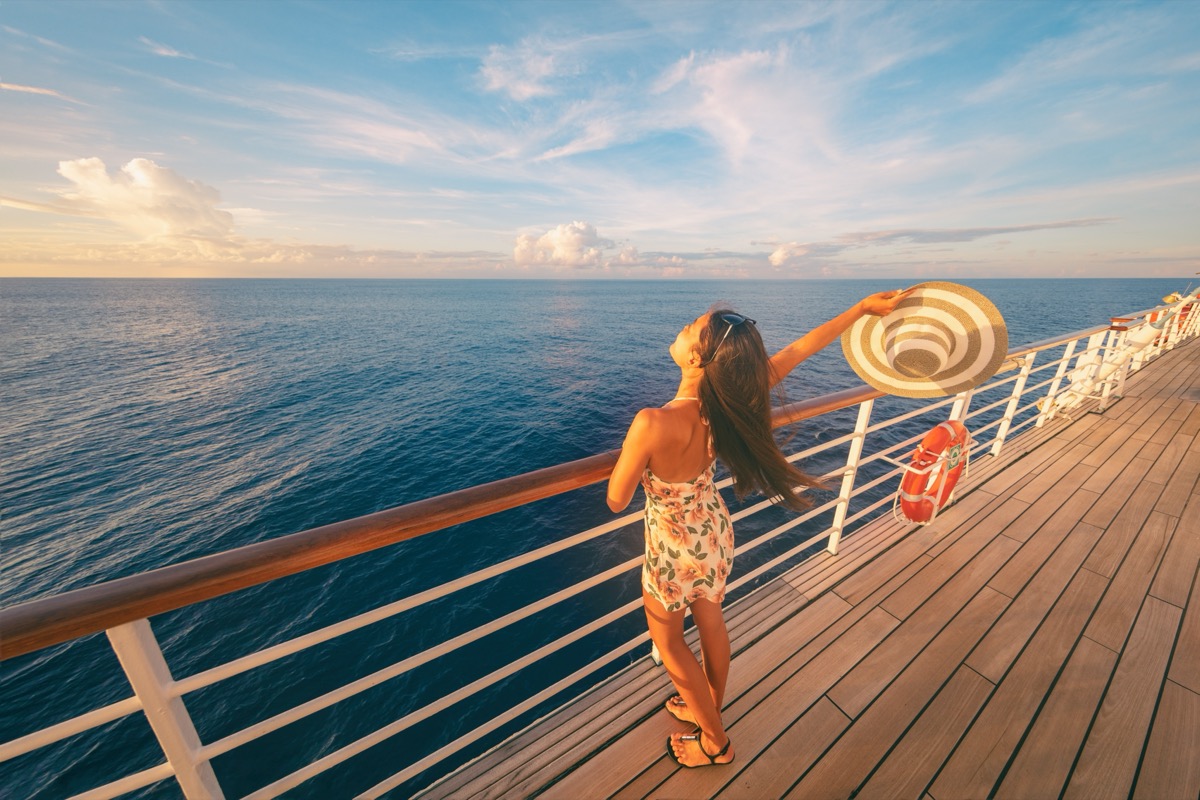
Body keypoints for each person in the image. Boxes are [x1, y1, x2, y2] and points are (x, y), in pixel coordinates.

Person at [606, 289, 913, 769]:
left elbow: (616, 498)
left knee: (668, 642)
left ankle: (715, 742)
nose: (684, 326)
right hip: (712, 531)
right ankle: (707, 704)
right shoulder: (732, 395)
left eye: (692, 327)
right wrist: (858, 310)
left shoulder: (652, 422)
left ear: (696, 357)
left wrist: (631, 460)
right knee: (710, 619)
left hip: (672, 548)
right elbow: (800, 350)